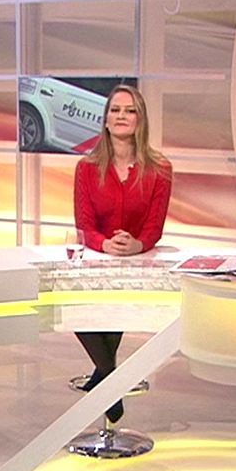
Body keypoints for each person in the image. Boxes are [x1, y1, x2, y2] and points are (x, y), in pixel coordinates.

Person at [72, 85, 172, 425]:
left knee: (115, 310)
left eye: (129, 111)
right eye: (115, 110)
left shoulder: (160, 168)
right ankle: (110, 382)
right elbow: (84, 225)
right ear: (105, 120)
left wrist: (137, 245)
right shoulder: (86, 168)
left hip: (134, 265)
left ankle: (104, 379)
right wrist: (104, 243)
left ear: (140, 120)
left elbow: (154, 226)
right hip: (95, 260)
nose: (121, 116)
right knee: (75, 310)